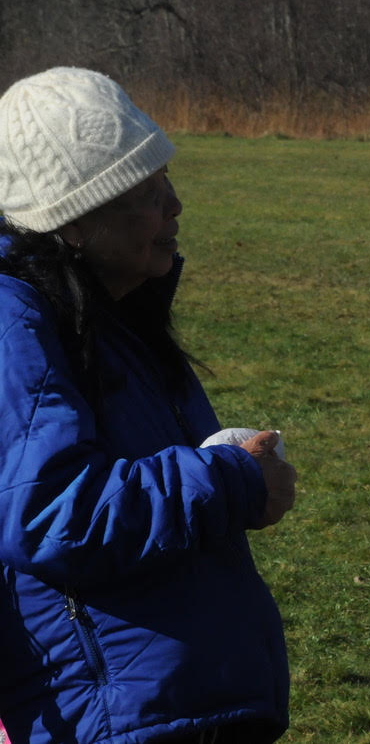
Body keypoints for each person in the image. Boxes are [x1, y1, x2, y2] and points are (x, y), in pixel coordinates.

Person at [0, 67, 296, 743]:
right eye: (145, 190)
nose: (176, 204)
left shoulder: (112, 312)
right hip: (116, 720)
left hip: (172, 707)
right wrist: (233, 480)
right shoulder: (16, 321)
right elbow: (50, 513)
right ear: (74, 222)